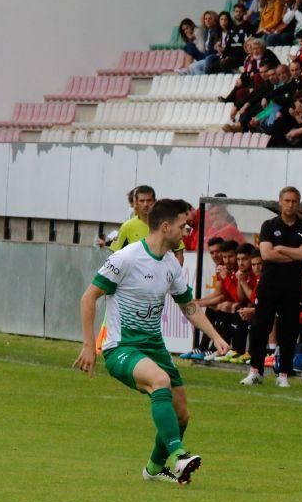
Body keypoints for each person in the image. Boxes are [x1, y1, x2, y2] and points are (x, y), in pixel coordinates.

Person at [73, 199, 230, 485]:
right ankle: (178, 455)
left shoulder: (170, 263)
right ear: (166, 227)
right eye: (183, 226)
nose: (186, 232)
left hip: (154, 347)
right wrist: (88, 344)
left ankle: (155, 468)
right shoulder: (126, 258)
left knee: (182, 414)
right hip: (122, 347)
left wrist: (216, 337)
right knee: (160, 380)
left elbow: (188, 306)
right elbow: (89, 297)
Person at [241, 187, 302, 388]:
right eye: (287, 200)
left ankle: (283, 373)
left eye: (294, 201)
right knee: (259, 327)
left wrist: (281, 248)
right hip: (269, 283)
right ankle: (256, 371)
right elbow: (266, 254)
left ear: (298, 203)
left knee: (289, 329)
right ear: (280, 202)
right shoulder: (269, 225)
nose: (290, 205)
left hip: (292, 285)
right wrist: (294, 252)